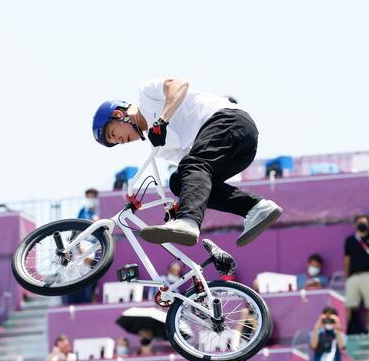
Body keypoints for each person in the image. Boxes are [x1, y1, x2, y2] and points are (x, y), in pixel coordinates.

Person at [92, 78, 282, 247]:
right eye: (114, 142)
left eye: (113, 134)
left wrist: (162, 120)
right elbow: (192, 173)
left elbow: (180, 86)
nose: (119, 141)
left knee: (193, 167)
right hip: (240, 152)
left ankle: (189, 222)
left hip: (230, 121)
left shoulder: (147, 95)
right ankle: (256, 208)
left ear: (118, 115)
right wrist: (182, 204)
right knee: (179, 181)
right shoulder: (159, 145)